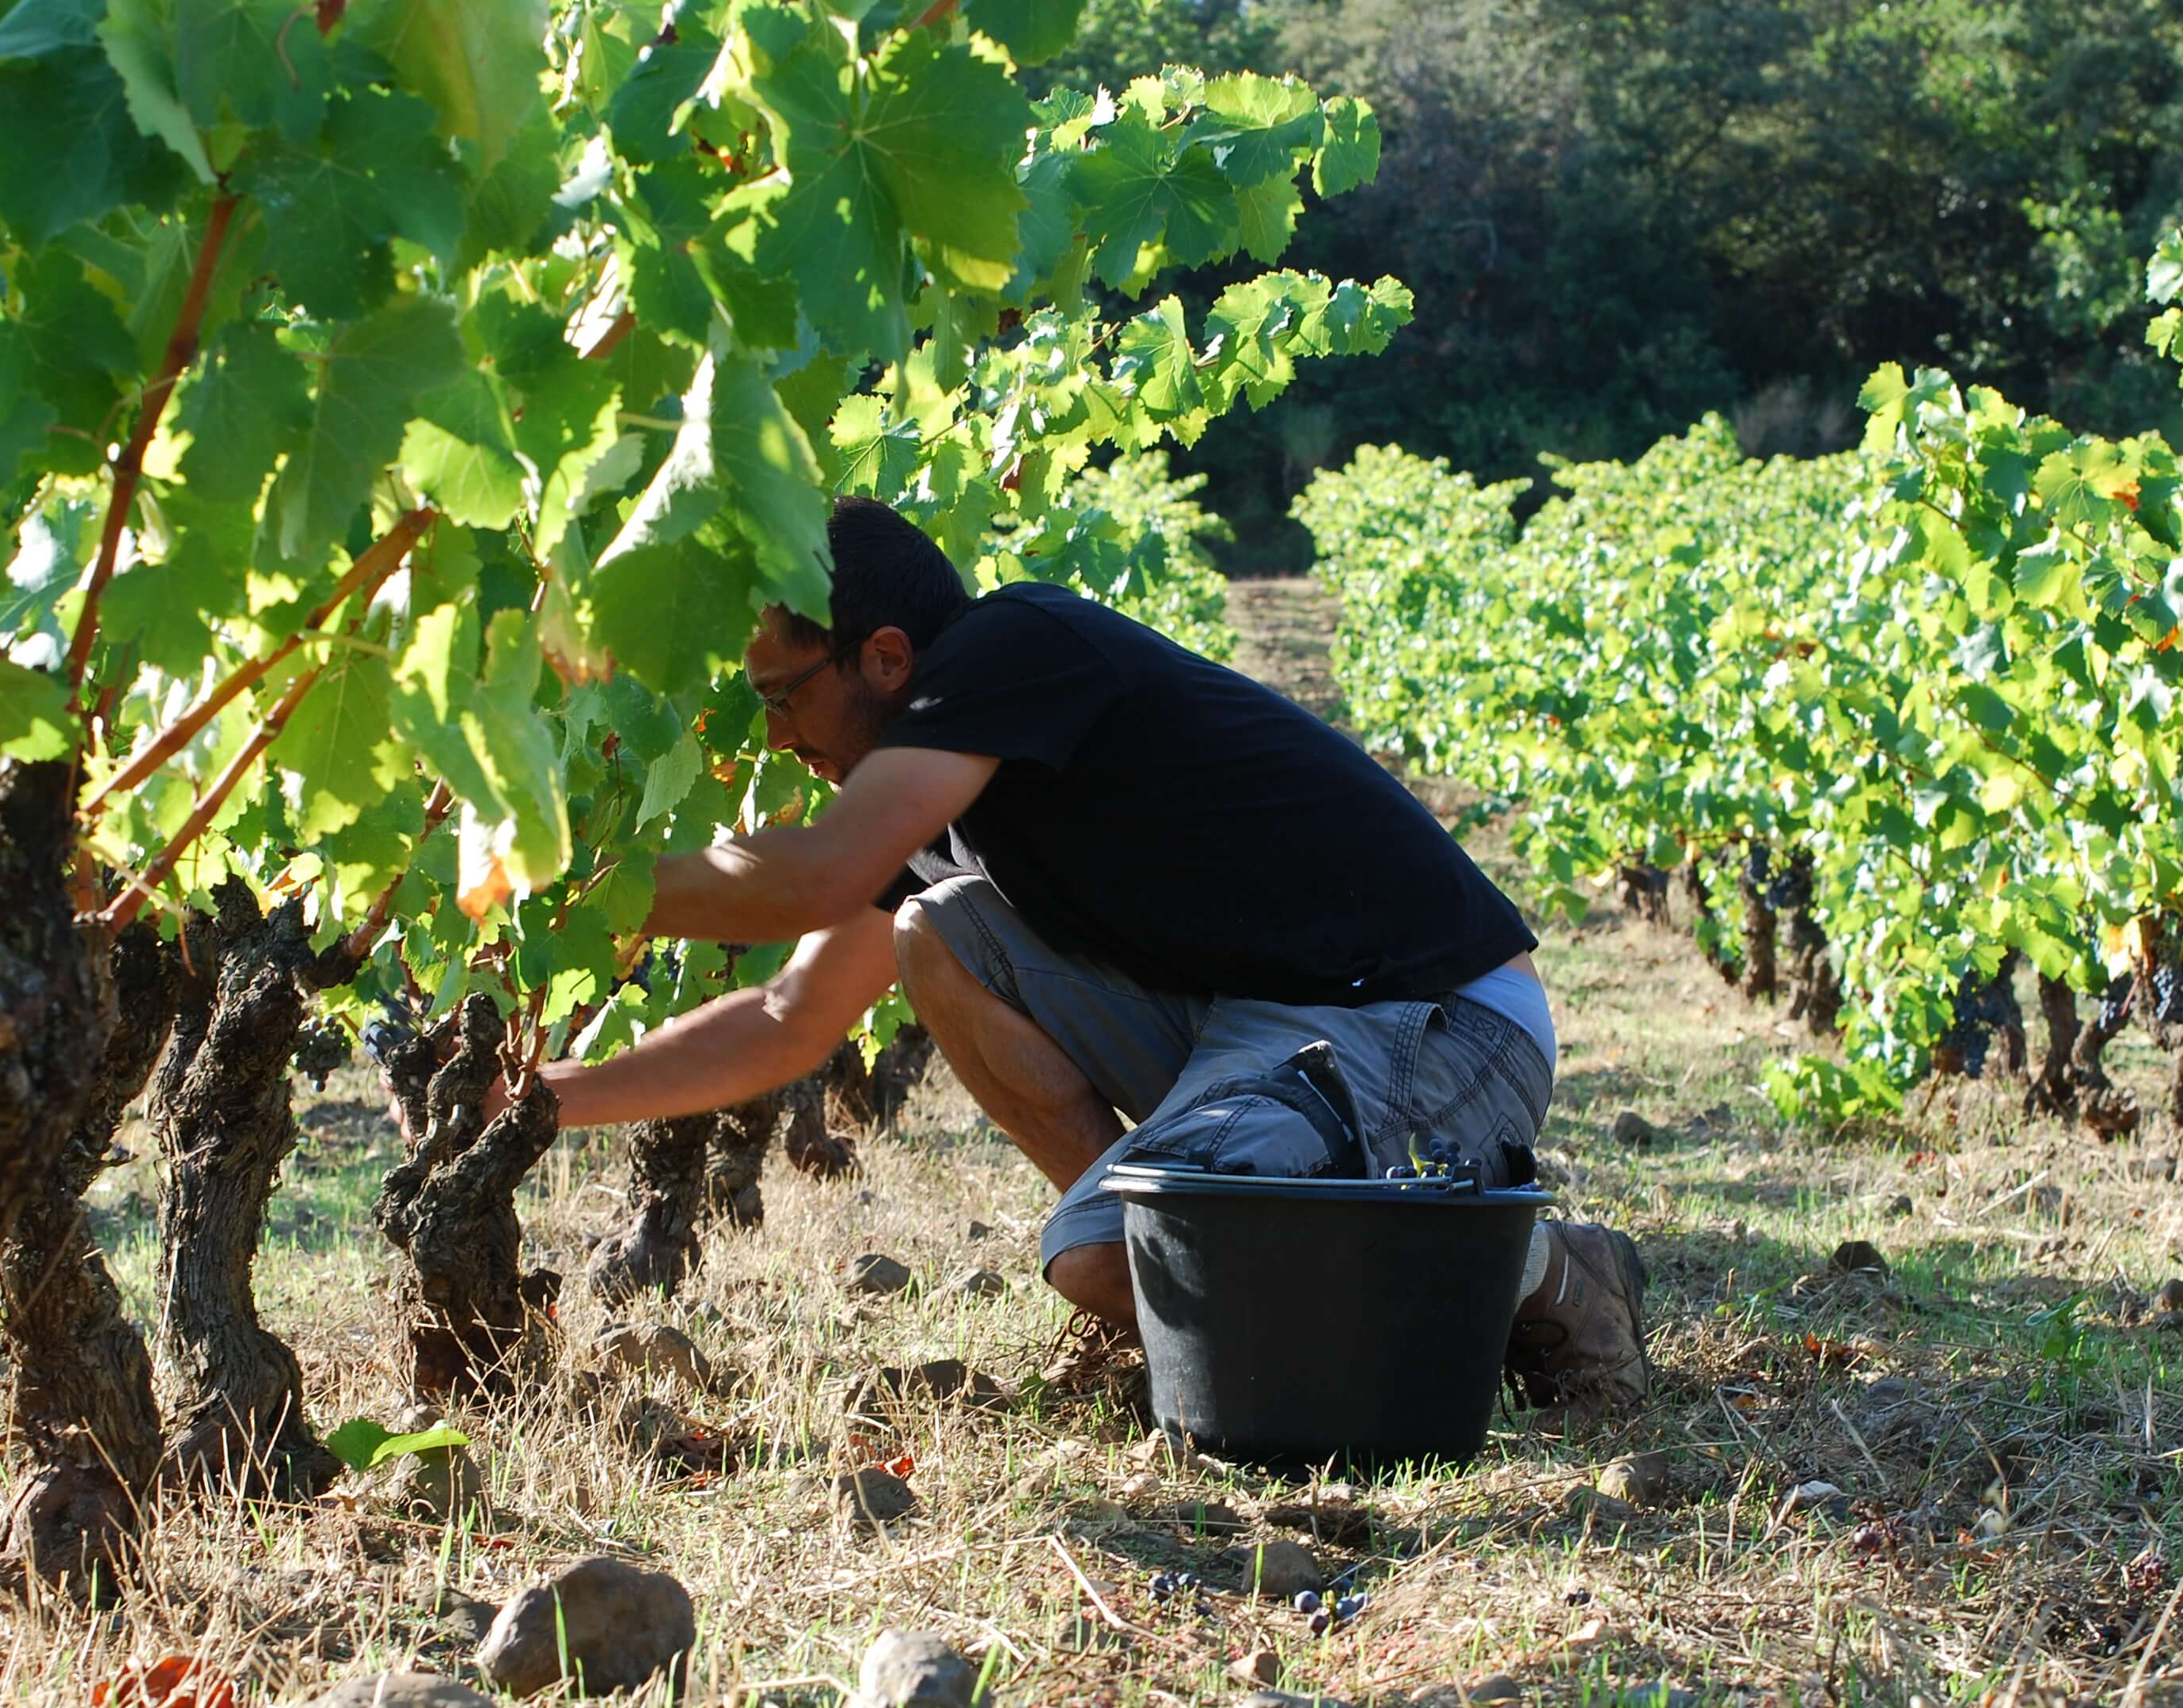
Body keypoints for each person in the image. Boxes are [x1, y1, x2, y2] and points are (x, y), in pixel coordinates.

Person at [512, 496, 1651, 1414]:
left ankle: (1539, 1267)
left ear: (888, 658)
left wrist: (549, 882)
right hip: (1266, 1030)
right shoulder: (935, 810)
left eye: (783, 696)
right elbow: (787, 1022)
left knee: (1107, 1263)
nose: (774, 735)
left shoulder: (1016, 649)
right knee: (938, 935)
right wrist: (538, 1105)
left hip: (1432, 1020)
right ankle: (1181, 1274)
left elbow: (814, 875)